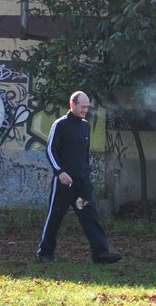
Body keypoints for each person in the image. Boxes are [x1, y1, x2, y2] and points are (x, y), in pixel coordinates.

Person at [36, 91, 122, 264]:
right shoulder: (60, 125)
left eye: (87, 107)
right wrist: (60, 172)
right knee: (56, 216)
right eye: (82, 107)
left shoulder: (85, 126)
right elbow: (50, 150)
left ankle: (100, 252)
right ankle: (45, 252)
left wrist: (86, 175)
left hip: (81, 185)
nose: (85, 110)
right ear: (72, 105)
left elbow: (84, 155)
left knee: (90, 215)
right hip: (64, 185)